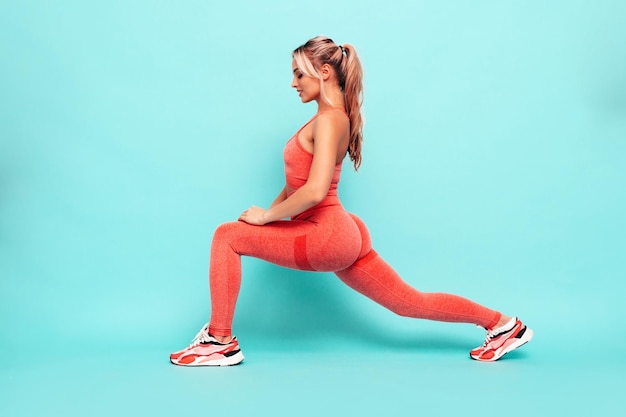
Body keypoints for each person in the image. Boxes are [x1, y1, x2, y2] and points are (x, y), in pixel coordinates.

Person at [170, 35, 533, 366]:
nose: (293, 83)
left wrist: (266, 218)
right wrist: (266, 214)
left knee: (225, 235)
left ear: (324, 71)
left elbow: (314, 191)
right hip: (341, 231)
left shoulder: (330, 121)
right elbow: (299, 187)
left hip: (327, 234)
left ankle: (219, 341)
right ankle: (503, 326)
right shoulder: (329, 119)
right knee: (408, 302)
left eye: (299, 74)